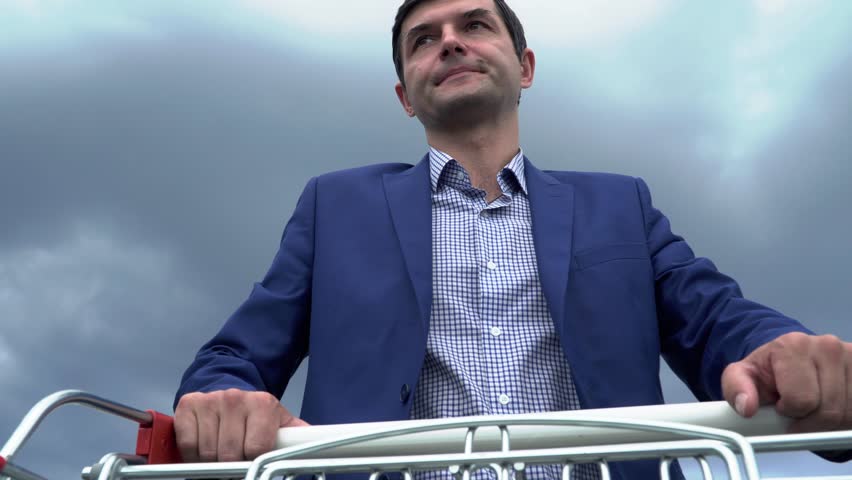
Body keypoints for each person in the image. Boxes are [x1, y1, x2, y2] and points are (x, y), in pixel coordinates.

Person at [173, 0, 852, 478]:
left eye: (475, 25)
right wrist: (226, 399)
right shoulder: (335, 206)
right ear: (405, 96)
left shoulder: (619, 203)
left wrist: (784, 357)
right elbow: (234, 357)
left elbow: (716, 319)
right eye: (422, 38)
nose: (450, 42)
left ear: (524, 67)